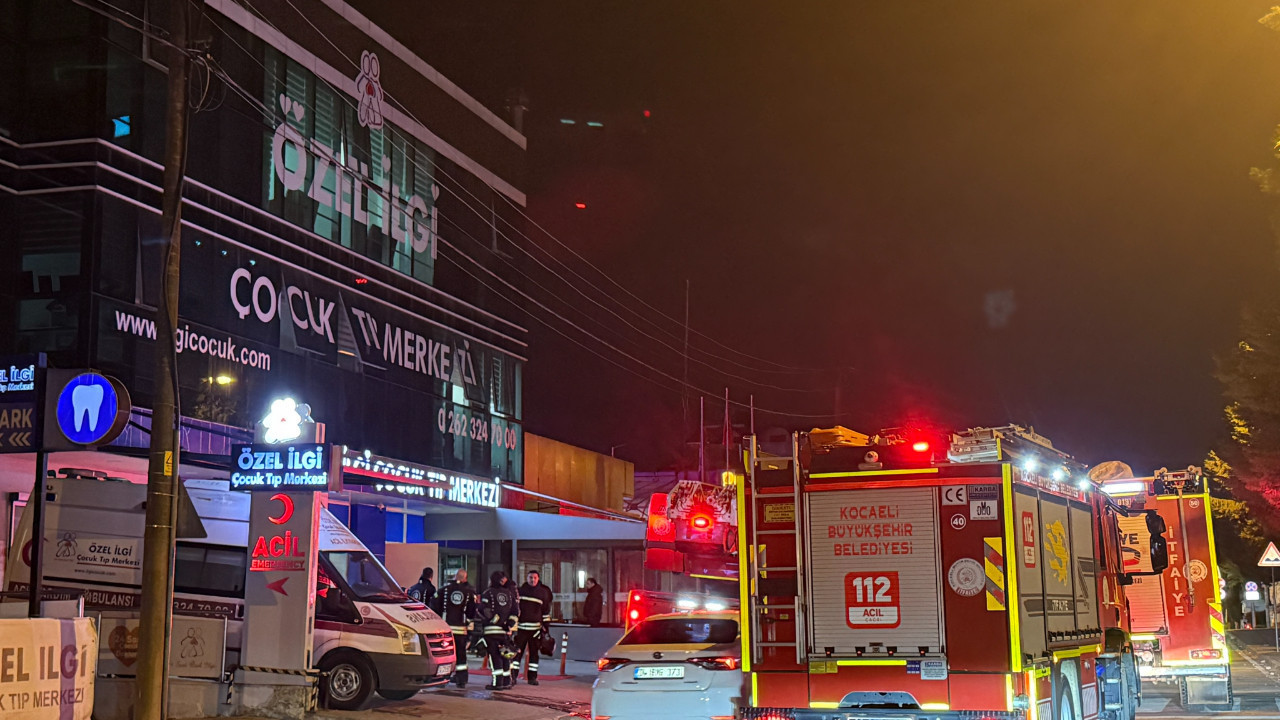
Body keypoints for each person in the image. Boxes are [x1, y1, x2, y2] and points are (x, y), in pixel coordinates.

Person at [511, 569, 555, 685]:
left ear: (538, 579)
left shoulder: (542, 593)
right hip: (521, 629)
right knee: (516, 653)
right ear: (527, 578)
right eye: (530, 577)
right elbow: (515, 609)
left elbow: (545, 612)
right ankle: (513, 676)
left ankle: (532, 678)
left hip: (535, 630)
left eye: (535, 578)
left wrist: (546, 629)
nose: (532, 580)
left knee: (534, 654)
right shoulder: (520, 591)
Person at [435, 569, 476, 688]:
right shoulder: (469, 593)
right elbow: (472, 612)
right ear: (465, 579)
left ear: (454, 577)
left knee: (444, 654)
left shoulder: (444, 590)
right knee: (461, 654)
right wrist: (469, 627)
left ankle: (443, 677)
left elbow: (435, 606)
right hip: (461, 630)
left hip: (445, 629)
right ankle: (461, 679)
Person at [479, 571, 518, 690]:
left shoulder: (488, 593)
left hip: (491, 631)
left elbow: (484, 611)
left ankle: (497, 683)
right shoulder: (510, 595)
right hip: (505, 632)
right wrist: (508, 624)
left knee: (495, 656)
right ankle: (507, 681)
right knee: (505, 655)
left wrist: (497, 621)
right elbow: (515, 612)